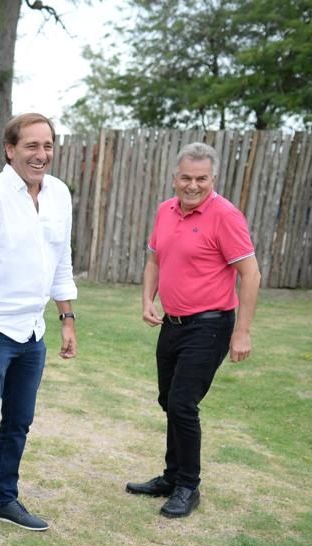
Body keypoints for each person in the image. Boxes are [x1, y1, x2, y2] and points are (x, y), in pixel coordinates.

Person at [0, 112, 78, 544]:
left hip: (33, 332)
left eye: (48, 146)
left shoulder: (59, 194)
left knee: (19, 421)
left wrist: (67, 318)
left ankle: (3, 498)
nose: (41, 155)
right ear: (10, 150)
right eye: (31, 146)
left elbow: (61, 259)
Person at [126, 142, 261, 518]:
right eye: (186, 177)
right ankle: (171, 477)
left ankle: (188, 486)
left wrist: (242, 332)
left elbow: (250, 274)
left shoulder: (225, 216)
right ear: (175, 177)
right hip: (173, 324)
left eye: (201, 178)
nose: (193, 185)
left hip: (211, 325)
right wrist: (148, 300)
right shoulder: (165, 211)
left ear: (213, 178)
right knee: (168, 400)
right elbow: (155, 260)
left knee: (183, 403)